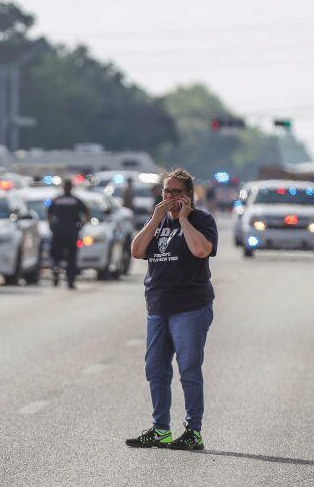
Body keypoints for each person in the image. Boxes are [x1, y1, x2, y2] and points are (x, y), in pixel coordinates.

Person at [125, 168, 218, 451]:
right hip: (158, 305)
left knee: (189, 370)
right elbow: (137, 250)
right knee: (155, 369)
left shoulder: (202, 220)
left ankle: (193, 432)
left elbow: (201, 250)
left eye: (177, 192)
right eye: (167, 191)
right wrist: (156, 219)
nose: (171, 197)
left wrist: (184, 220)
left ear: (189, 195)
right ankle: (160, 429)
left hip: (190, 306)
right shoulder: (157, 221)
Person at [47, 177, 90, 289]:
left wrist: (51, 226)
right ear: (71, 187)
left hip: (58, 232)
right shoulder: (76, 200)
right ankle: (70, 281)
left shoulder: (56, 200)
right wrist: (81, 225)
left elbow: (49, 214)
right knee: (71, 257)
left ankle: (56, 275)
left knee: (56, 256)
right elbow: (87, 213)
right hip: (72, 232)